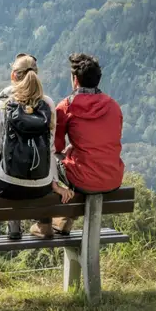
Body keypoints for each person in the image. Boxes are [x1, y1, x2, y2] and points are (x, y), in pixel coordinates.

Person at [0, 53, 74, 240]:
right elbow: (49, 149)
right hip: (42, 186)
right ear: (36, 75)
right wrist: (55, 184)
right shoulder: (47, 104)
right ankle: (13, 225)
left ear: (13, 76)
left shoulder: (1, 105)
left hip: (9, 187)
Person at [52, 53, 125, 235]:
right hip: (112, 178)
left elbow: (56, 147)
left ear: (75, 80)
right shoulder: (113, 106)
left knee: (49, 158)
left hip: (82, 179)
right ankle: (63, 219)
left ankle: (57, 218)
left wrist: (69, 150)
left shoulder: (66, 106)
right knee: (85, 167)